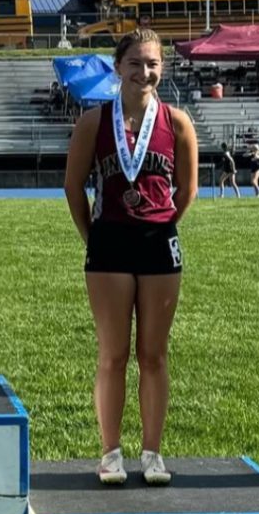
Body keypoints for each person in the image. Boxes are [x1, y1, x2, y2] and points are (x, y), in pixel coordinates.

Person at [64, 27, 199, 486]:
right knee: (113, 354)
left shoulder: (177, 123)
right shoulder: (93, 122)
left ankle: (153, 453)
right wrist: (93, 235)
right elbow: (72, 186)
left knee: (155, 355)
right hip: (108, 246)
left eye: (153, 63)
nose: (145, 72)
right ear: (118, 67)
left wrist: (160, 224)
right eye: (136, 63)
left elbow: (188, 189)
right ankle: (110, 453)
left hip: (160, 244)